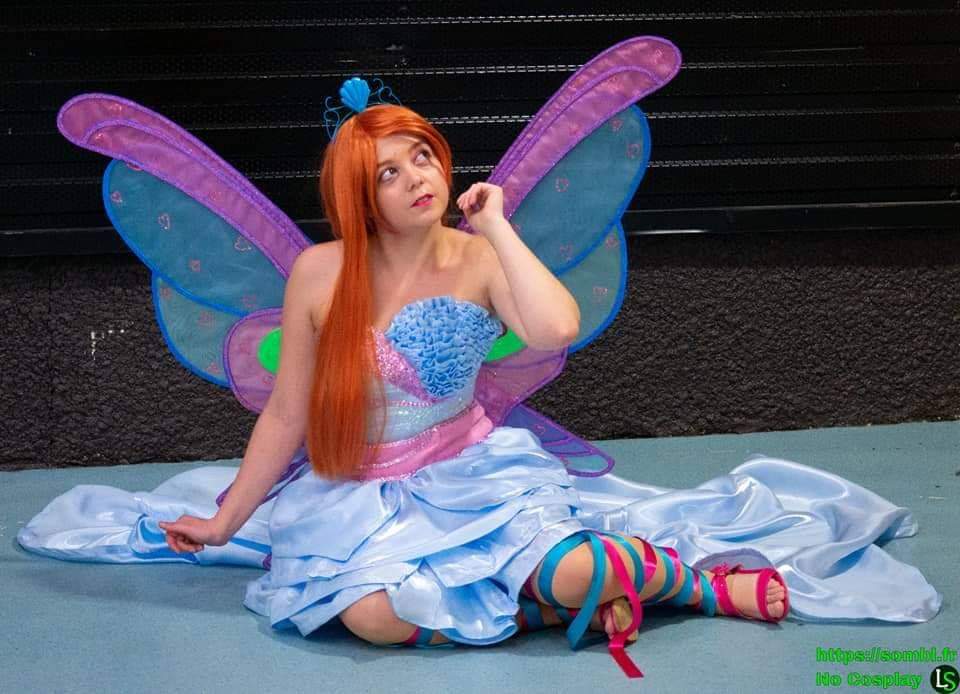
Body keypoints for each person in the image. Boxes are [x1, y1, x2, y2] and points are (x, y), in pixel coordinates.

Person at [18, 79, 941, 681]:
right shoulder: (318, 275)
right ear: (359, 194)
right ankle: (558, 609)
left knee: (582, 563)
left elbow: (556, 328)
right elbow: (288, 413)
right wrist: (227, 519)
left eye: (422, 154)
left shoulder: (477, 256)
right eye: (389, 172)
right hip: (360, 493)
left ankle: (692, 585)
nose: (416, 178)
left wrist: (497, 224)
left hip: (474, 475)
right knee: (371, 620)